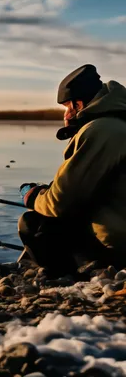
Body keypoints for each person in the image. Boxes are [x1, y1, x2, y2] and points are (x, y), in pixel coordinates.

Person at [18, 64, 126, 278]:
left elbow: (59, 203)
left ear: (79, 104)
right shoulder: (119, 123)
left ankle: (70, 278)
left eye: (67, 107)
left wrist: (32, 196)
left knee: (33, 224)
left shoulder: (101, 130)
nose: (66, 113)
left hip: (121, 244)